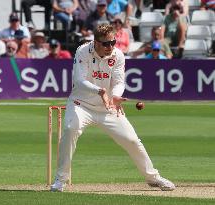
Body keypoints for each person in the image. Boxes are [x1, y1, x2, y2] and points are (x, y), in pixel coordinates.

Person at [50, 23, 176, 192]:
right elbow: (79, 81)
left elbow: (118, 82)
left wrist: (115, 95)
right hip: (81, 104)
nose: (110, 47)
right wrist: (99, 90)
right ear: (96, 43)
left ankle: (153, 178)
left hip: (107, 107)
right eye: (106, 43)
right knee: (70, 129)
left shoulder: (117, 55)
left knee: (132, 140)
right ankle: (60, 180)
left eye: (113, 42)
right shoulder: (83, 51)